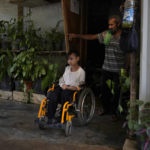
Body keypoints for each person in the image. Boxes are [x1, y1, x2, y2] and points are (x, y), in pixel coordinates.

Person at [69, 15, 126, 121]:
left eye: (111, 24)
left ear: (118, 24)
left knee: (117, 93)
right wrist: (76, 35)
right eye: (108, 24)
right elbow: (92, 37)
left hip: (118, 70)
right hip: (106, 68)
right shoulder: (107, 34)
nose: (109, 27)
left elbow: (129, 53)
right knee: (104, 90)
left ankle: (115, 113)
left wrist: (127, 69)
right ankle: (105, 109)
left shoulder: (124, 36)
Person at [47, 50, 85, 125]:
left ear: (77, 59)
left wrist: (68, 87)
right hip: (63, 88)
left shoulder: (81, 72)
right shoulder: (67, 68)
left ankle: (62, 117)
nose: (69, 61)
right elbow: (62, 79)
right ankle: (50, 117)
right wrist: (62, 84)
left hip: (72, 91)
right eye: (68, 59)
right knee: (52, 93)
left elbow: (80, 87)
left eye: (72, 59)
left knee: (64, 94)